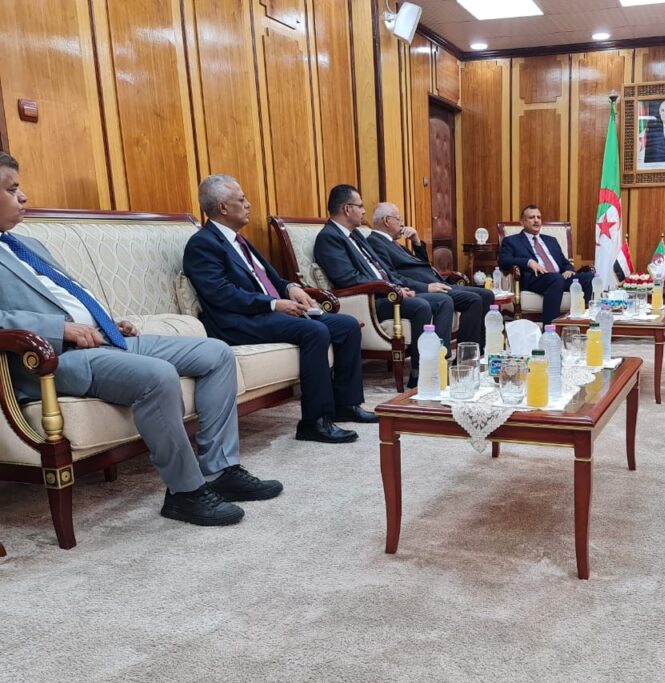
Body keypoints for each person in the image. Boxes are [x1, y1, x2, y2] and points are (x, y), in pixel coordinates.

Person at [0, 153, 282, 527]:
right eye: (12, 189)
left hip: (103, 338)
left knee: (216, 353)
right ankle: (185, 492)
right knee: (158, 375)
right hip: (51, 357)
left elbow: (67, 296)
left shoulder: (29, 245)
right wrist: (59, 329)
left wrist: (105, 321)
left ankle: (220, 470)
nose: (23, 196)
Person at [183, 174, 377, 445]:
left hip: (266, 313)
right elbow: (221, 294)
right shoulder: (203, 244)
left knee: (346, 325)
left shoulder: (240, 241)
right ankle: (314, 422)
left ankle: (346, 404)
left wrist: (291, 288)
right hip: (238, 321)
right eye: (242, 200)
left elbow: (271, 279)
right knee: (314, 331)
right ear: (223, 207)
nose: (249, 204)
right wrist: (273, 304)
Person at [314, 185, 454, 390]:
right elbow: (348, 279)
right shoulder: (329, 238)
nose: (364, 211)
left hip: (388, 292)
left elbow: (384, 269)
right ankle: (419, 374)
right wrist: (390, 289)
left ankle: (436, 364)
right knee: (421, 306)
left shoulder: (356, 234)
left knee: (443, 301)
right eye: (360, 206)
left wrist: (400, 286)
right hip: (371, 300)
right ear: (347, 209)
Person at [366, 202, 494, 350]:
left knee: (486, 294)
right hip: (423, 289)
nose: (402, 224)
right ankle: (466, 353)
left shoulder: (394, 243)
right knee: (473, 299)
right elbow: (392, 276)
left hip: (436, 282)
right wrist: (426, 287)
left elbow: (422, 264)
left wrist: (416, 242)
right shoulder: (375, 242)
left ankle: (481, 350)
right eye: (399, 219)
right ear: (387, 220)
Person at [499, 204, 594, 325]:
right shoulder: (512, 241)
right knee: (555, 279)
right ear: (522, 222)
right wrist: (528, 262)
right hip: (535, 279)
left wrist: (569, 269)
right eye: (531, 217)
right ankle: (550, 329)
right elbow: (504, 261)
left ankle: (582, 323)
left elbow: (564, 262)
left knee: (590, 278)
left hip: (560, 278)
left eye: (538, 217)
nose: (536, 220)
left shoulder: (551, 240)